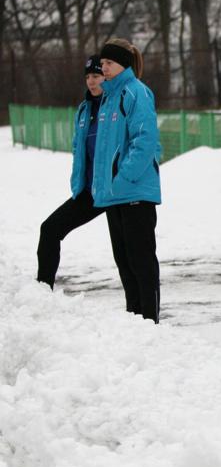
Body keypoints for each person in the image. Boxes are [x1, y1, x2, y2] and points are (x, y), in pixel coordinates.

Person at [93, 38, 162, 324]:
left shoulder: (136, 93)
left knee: (141, 261)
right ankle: (134, 319)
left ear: (123, 64)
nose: (103, 68)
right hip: (115, 195)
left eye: (109, 63)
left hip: (135, 192)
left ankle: (149, 320)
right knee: (124, 261)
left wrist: (123, 179)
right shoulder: (108, 98)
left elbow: (145, 141)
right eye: (103, 63)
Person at [36, 56, 108, 288]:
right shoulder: (84, 110)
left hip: (115, 190)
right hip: (89, 191)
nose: (91, 81)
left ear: (107, 76)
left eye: (96, 76)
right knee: (49, 229)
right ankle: (42, 289)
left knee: (127, 251)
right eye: (87, 77)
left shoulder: (116, 105)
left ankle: (139, 315)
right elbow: (79, 148)